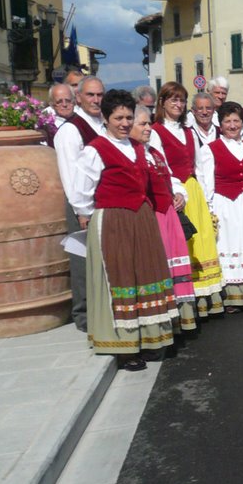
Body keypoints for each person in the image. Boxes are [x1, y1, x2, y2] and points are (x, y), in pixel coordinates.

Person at [70, 89, 176, 371]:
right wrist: (92, 215)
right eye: (118, 117)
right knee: (120, 279)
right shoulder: (95, 150)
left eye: (129, 117)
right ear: (105, 118)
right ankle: (124, 347)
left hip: (141, 219)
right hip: (113, 220)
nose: (125, 123)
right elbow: (80, 193)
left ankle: (149, 339)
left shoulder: (138, 148)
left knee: (144, 275)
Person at [150, 83, 223, 318]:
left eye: (181, 100)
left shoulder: (189, 131)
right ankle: (184, 303)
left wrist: (206, 199)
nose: (178, 105)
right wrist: (175, 192)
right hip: (173, 193)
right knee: (182, 246)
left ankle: (204, 299)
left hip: (194, 191)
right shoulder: (155, 131)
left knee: (201, 243)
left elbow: (200, 167)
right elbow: (160, 166)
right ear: (162, 103)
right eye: (173, 100)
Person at [197, 101, 243, 308]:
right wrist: (210, 209)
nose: (232, 125)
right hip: (225, 205)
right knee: (230, 245)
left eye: (236, 121)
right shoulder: (209, 149)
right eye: (227, 121)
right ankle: (232, 296)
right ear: (220, 124)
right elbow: (207, 184)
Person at [130, 105, 198, 330]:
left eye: (149, 123)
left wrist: (179, 193)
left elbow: (170, 177)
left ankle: (177, 321)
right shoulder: (132, 154)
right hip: (152, 217)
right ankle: (159, 323)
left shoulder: (154, 152)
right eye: (143, 124)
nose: (149, 128)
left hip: (168, 215)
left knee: (174, 266)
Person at [54, 75, 105, 331]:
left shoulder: (103, 124)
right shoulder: (70, 130)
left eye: (99, 95)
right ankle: (84, 315)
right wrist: (81, 210)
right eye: (90, 95)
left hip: (104, 201)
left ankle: (103, 308)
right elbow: (69, 174)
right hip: (82, 204)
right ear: (79, 98)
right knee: (82, 260)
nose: (96, 100)